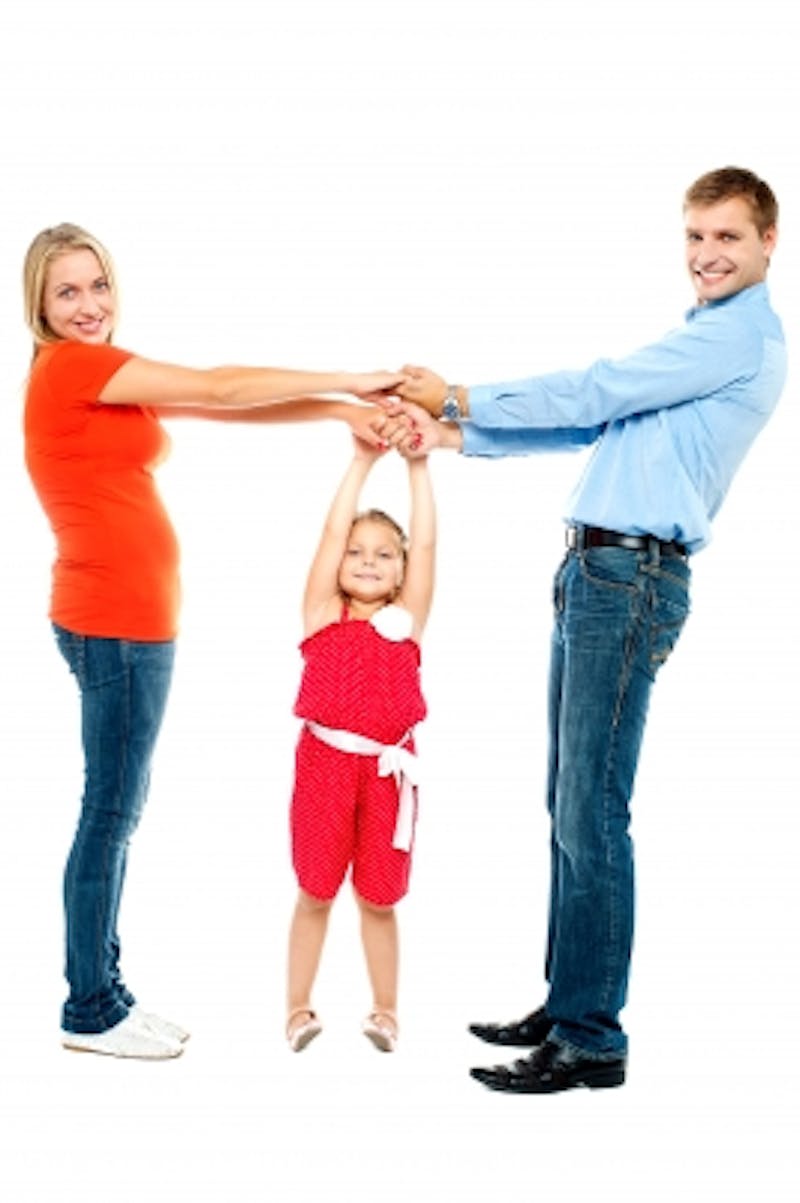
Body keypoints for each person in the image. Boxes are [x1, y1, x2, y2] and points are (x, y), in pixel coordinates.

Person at [378, 166, 785, 1092]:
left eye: (726, 236)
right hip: (597, 570)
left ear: (770, 243)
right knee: (570, 803)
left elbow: (596, 389)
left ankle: (592, 1035)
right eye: (693, 236)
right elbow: (598, 426)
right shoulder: (700, 343)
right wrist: (450, 432)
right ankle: (571, 1000)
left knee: (593, 809)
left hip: (628, 578)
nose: (706, 254)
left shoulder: (740, 338)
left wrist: (461, 395)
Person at [22, 222, 402, 1060]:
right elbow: (226, 386)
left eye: (98, 286)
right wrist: (350, 376)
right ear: (40, 309)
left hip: (129, 625)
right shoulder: (75, 367)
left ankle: (105, 991)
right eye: (68, 293)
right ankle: (89, 1008)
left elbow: (220, 404)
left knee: (115, 812)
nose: (90, 305)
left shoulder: (109, 373)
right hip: (111, 626)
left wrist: (339, 412)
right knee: (108, 815)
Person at [285, 435, 435, 1053]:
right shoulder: (323, 613)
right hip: (323, 765)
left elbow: (426, 541)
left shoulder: (410, 620)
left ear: (401, 569)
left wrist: (418, 465)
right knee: (316, 890)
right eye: (356, 552)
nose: (368, 561)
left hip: (386, 774)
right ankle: (297, 1007)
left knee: (379, 897)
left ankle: (385, 1010)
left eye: (384, 554)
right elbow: (327, 534)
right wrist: (363, 462)